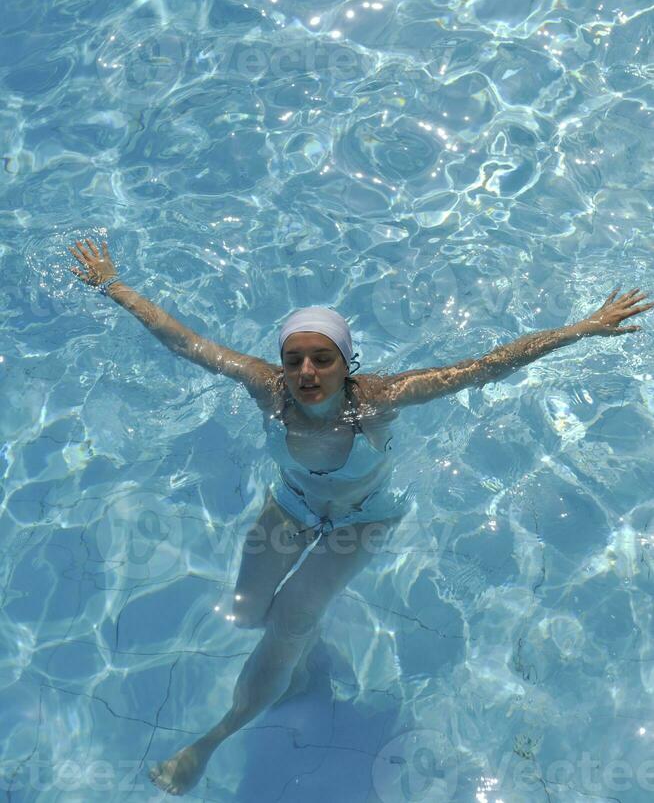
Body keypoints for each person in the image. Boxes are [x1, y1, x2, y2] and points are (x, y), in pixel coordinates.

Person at [69, 237, 652, 796]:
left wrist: (583, 328)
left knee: (290, 620)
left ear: (346, 363)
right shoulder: (266, 390)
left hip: (361, 522)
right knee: (249, 615)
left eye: (322, 359)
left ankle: (211, 742)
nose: (306, 373)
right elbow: (186, 342)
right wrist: (113, 286)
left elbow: (487, 366)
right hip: (292, 508)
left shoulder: (377, 402)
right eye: (294, 359)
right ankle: (305, 657)